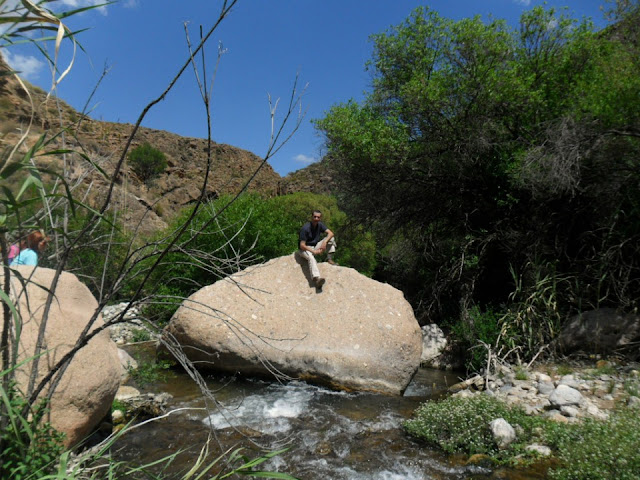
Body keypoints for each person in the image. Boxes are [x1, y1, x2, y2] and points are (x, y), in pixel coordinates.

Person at [298, 210, 336, 288]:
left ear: (320, 218)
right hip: (305, 249)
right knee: (311, 258)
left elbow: (331, 233)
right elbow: (302, 245)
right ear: (311, 217)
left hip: (314, 246)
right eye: (314, 217)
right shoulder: (305, 228)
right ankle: (317, 279)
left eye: (318, 217)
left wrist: (324, 242)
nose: (316, 219)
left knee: (331, 239)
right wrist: (314, 251)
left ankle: (329, 259)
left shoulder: (320, 225)